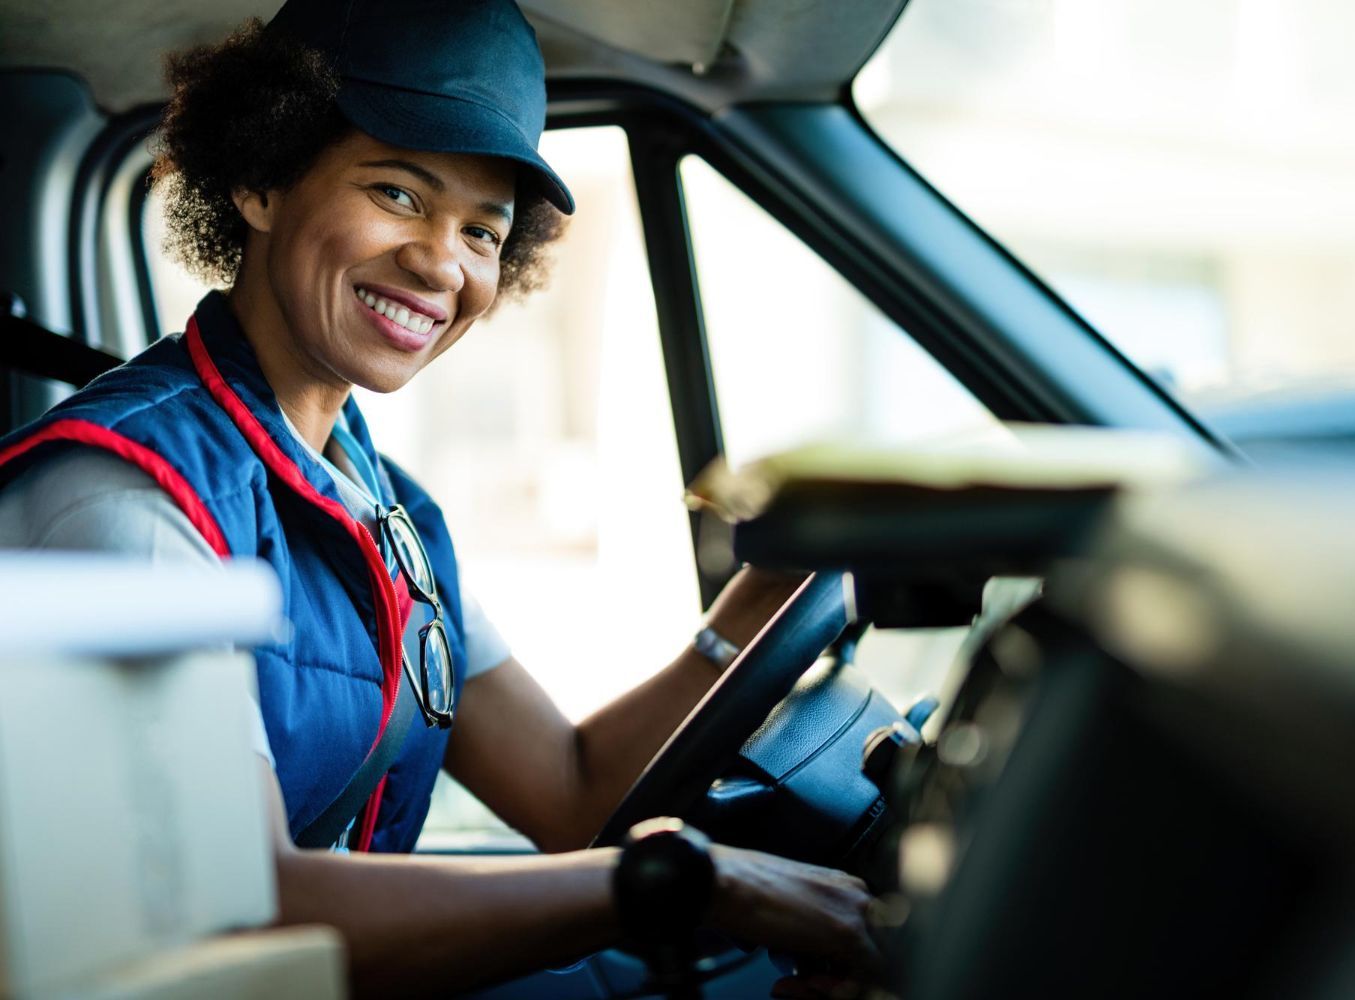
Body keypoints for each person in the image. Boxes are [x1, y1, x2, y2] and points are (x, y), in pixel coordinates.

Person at [0, 0, 878, 995]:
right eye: (398, 193)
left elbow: (571, 790)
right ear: (259, 177)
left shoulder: (386, 506)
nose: (439, 263)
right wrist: (680, 880)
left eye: (482, 230)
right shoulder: (125, 501)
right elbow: (233, 913)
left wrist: (771, 583)